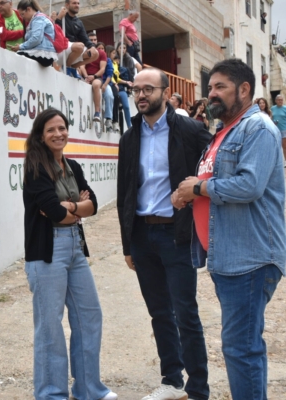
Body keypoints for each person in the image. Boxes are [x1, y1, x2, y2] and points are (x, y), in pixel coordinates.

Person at [171, 58, 286, 400]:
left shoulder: (259, 129)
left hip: (249, 257)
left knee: (241, 349)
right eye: (210, 88)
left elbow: (248, 185)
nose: (211, 95)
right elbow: (212, 181)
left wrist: (198, 189)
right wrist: (189, 193)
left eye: (220, 87)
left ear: (245, 89)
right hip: (228, 256)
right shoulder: (224, 132)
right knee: (241, 345)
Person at [117, 67, 211, 400]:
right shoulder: (130, 137)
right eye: (137, 90)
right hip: (143, 236)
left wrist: (198, 193)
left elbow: (213, 165)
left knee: (185, 312)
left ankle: (198, 388)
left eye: (148, 89)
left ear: (164, 92)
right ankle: (172, 381)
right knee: (159, 312)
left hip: (177, 234)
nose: (141, 95)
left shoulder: (189, 129)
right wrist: (128, 243)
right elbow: (125, 191)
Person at [23, 108, 117, 400]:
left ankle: (89, 389)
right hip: (46, 251)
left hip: (75, 246)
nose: (58, 134)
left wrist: (71, 208)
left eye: (62, 128)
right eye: (51, 129)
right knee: (50, 326)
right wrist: (78, 207)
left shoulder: (72, 166)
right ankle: (52, 394)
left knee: (89, 316)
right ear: (41, 135)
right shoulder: (35, 168)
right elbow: (53, 212)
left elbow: (94, 204)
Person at [10, 0, 57, 67]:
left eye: (22, 14)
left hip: (43, 53)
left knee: (17, 57)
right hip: (43, 52)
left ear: (29, 9)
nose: (22, 17)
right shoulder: (37, 19)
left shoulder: (38, 19)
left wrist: (21, 46)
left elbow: (36, 38)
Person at [54, 0, 99, 68]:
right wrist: (58, 18)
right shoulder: (59, 15)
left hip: (74, 49)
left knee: (95, 53)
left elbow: (85, 38)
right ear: (67, 5)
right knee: (79, 46)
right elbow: (53, 30)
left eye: (78, 3)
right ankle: (68, 67)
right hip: (61, 47)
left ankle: (74, 67)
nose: (77, 5)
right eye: (74, 3)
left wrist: (92, 47)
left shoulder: (79, 22)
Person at [79, 41, 114, 124]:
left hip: (96, 77)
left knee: (96, 85)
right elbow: (82, 66)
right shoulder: (86, 52)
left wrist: (93, 76)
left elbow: (103, 69)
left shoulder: (102, 54)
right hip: (87, 76)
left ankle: (97, 112)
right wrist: (86, 76)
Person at [107, 45, 131, 131]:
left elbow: (117, 78)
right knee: (114, 98)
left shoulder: (119, 67)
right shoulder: (108, 63)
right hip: (111, 85)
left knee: (126, 106)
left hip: (119, 88)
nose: (117, 61)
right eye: (114, 54)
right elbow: (111, 76)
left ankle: (129, 126)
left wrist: (126, 83)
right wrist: (114, 83)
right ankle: (113, 120)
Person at [271, 94, 286, 161]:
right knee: (276, 147)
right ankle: (277, 161)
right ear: (276, 101)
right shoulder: (272, 108)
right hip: (275, 130)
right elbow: (271, 118)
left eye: (281, 100)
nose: (280, 101)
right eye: (279, 100)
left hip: (284, 129)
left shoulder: (285, 108)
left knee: (284, 146)